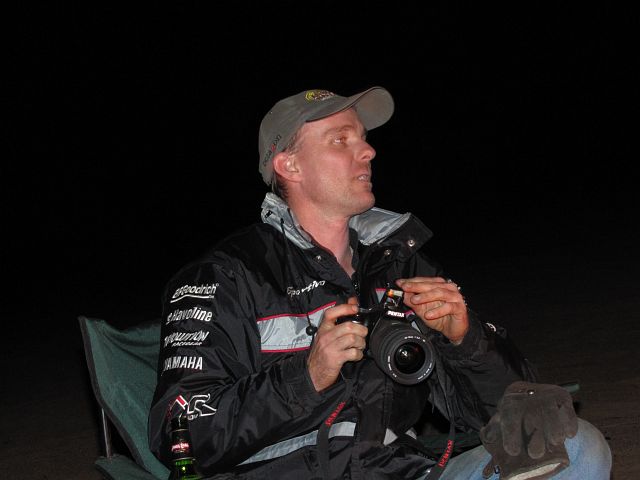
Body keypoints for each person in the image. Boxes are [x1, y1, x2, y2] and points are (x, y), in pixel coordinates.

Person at [148, 86, 611, 479]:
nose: (367, 151)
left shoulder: (399, 264)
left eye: (364, 139)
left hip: (398, 469)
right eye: (340, 140)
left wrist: (466, 341)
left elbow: (511, 417)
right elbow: (178, 428)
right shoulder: (225, 276)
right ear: (290, 166)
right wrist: (305, 378)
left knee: (577, 449)